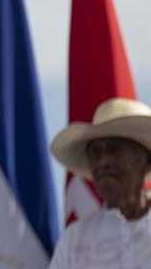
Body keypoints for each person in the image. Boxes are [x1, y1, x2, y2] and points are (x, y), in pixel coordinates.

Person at [48, 97, 151, 268]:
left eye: (115, 149)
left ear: (146, 161)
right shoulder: (74, 240)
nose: (104, 161)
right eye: (95, 152)